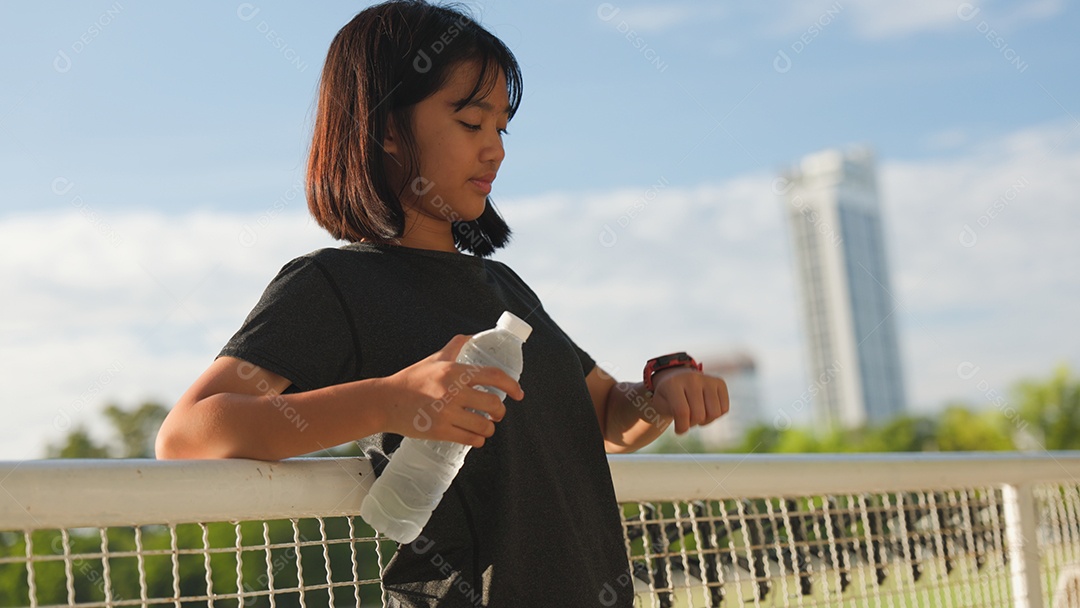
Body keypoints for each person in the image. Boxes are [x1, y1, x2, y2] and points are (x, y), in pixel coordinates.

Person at [155, 1, 729, 605]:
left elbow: (611, 419)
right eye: (471, 122)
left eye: (501, 128)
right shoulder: (335, 283)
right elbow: (187, 435)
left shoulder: (504, 288)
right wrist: (388, 401)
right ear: (386, 127)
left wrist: (663, 390)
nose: (496, 151)